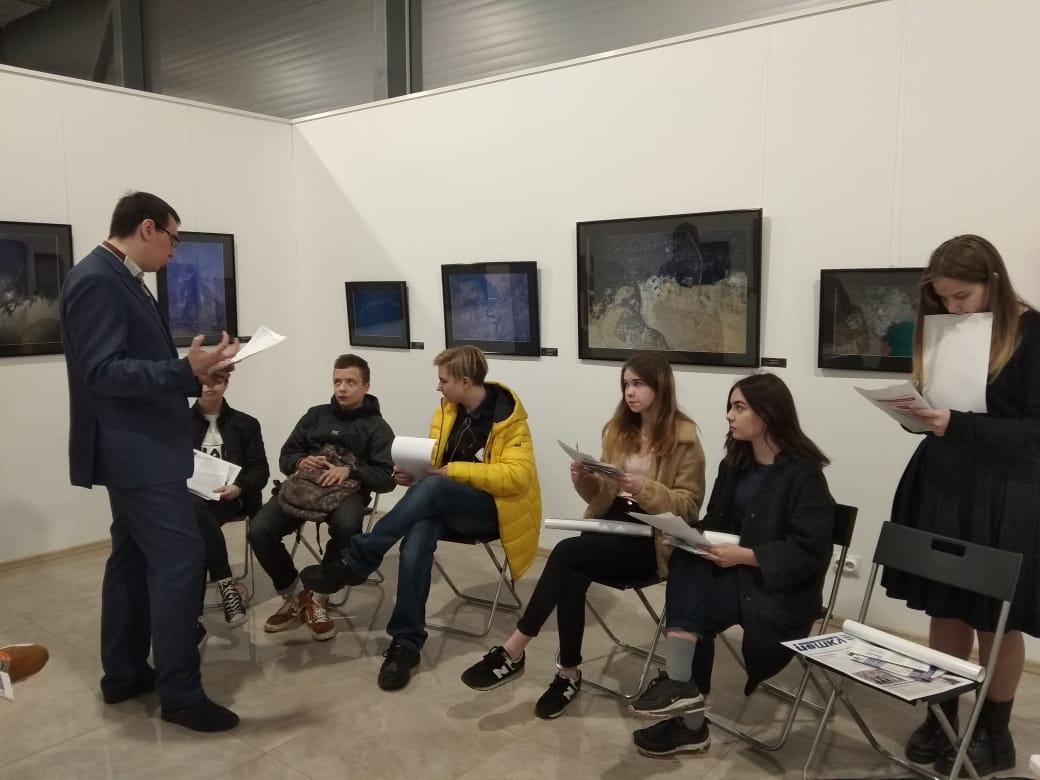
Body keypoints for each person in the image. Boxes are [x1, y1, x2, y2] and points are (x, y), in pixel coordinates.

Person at [59, 191, 240, 732]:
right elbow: (104, 372)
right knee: (181, 558)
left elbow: (135, 366)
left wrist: (196, 376)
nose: (174, 251)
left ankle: (124, 673)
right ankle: (180, 694)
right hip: (136, 451)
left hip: (141, 446)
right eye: (172, 238)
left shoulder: (118, 276)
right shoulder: (98, 279)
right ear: (146, 228)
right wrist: (185, 370)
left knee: (132, 559)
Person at [460, 351, 706, 719]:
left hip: (651, 540)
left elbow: (689, 507)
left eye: (638, 384)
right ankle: (568, 673)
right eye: (626, 384)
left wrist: (644, 488)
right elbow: (602, 496)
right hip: (610, 526)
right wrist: (586, 479)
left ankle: (514, 650)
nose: (630, 392)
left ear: (660, 386)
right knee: (572, 575)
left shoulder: (684, 440)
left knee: (566, 553)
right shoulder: (619, 430)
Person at [882, 234, 1040, 776]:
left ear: (993, 281)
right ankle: (942, 715)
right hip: (943, 484)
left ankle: (994, 733)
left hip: (1005, 493)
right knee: (944, 606)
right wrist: (916, 414)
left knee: (997, 617)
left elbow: (1036, 434)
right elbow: (943, 410)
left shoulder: (1033, 334)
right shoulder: (945, 329)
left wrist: (959, 425)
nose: (951, 308)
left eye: (962, 296)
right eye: (943, 298)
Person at [300, 345, 542, 691]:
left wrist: (450, 472)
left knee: (436, 489)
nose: (438, 387)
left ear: (465, 382)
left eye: (443, 380)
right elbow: (436, 467)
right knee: (415, 542)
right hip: (446, 502)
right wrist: (413, 475)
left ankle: (358, 559)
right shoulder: (447, 411)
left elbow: (517, 477)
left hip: (492, 511)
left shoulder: (508, 418)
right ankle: (406, 644)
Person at [629, 373, 834, 758]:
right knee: (687, 567)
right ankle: (684, 700)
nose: (729, 415)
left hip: (776, 588)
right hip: (733, 571)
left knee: (693, 615)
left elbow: (809, 551)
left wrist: (747, 556)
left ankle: (687, 713)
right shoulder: (735, 463)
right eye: (730, 406)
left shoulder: (803, 474)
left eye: (739, 407)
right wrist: (689, 537)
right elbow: (717, 521)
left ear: (768, 414)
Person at [247, 353, 395, 641]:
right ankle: (295, 594)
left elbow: (386, 479)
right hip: (304, 486)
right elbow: (286, 456)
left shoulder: (378, 427)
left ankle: (319, 595)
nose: (342, 388)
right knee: (260, 529)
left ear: (366, 386)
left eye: (350, 382)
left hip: (348, 491)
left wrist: (350, 470)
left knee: (348, 525)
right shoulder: (315, 415)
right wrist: (301, 461)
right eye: (337, 381)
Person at [190, 374, 269, 627]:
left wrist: (238, 488)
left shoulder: (246, 424)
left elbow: (260, 470)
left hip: (231, 498)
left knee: (195, 530)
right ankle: (226, 584)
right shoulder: (178, 423)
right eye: (204, 380)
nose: (209, 386)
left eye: (217, 380)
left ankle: (192, 617)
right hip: (192, 499)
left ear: (226, 383)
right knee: (195, 514)